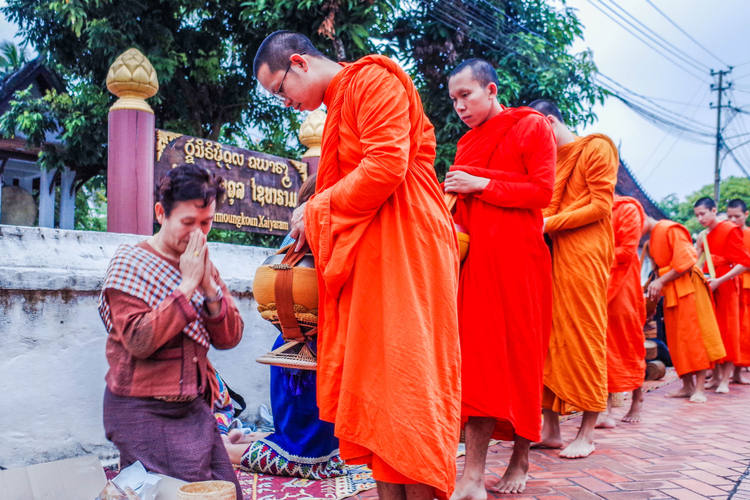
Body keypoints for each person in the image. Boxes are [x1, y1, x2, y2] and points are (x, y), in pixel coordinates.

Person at [253, 31, 461, 500]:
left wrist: (316, 208)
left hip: (406, 248)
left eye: (280, 90)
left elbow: (387, 165)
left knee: (408, 385)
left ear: (300, 63)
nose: (284, 103)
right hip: (374, 256)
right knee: (378, 394)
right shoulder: (336, 111)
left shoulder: (371, 79)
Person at [443, 59, 554, 498]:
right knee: (479, 365)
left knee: (522, 360)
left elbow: (541, 191)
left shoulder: (531, 126)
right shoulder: (468, 144)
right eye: (453, 99)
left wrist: (481, 183)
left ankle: (522, 457)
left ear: (490, 89)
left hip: (521, 265)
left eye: (466, 95)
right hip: (477, 265)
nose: (459, 107)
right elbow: (457, 202)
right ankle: (472, 475)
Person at [98, 164, 243, 497]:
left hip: (192, 409)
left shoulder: (202, 263)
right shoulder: (130, 262)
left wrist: (209, 290)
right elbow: (139, 340)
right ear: (161, 213)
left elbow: (230, 338)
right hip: (142, 411)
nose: (198, 235)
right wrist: (188, 284)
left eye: (206, 223)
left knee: (225, 492)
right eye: (188, 223)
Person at [222, 174, 345, 480]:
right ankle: (218, 448)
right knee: (308, 460)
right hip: (306, 357)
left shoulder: (301, 228)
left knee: (326, 453)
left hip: (294, 349)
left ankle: (243, 440)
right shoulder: (313, 228)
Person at [527, 99, 617, 459]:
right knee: (547, 341)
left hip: (584, 254)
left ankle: (587, 432)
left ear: (550, 121)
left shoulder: (597, 147)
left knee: (585, 335)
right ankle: (550, 429)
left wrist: (548, 224)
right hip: (550, 255)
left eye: (537, 133)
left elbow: (600, 206)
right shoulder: (551, 162)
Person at [644, 216, 725, 403]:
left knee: (695, 337)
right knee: (677, 339)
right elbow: (657, 271)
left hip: (689, 288)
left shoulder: (670, 229)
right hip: (671, 291)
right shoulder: (651, 240)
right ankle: (687, 385)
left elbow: (688, 260)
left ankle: (699, 388)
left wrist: (661, 281)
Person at [597, 195, 647, 428]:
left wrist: (591, 253)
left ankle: (637, 400)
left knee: (629, 343)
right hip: (599, 281)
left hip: (624, 285)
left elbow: (627, 251)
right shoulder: (594, 207)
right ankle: (605, 408)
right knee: (602, 345)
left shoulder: (627, 208)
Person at [694, 197, 750, 393]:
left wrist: (720, 280)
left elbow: (744, 262)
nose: (700, 218)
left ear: (714, 210)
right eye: (697, 215)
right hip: (709, 284)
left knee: (729, 331)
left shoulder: (729, 230)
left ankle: (726, 379)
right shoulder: (703, 235)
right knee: (711, 330)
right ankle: (716, 376)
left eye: (703, 213)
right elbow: (698, 261)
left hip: (726, 285)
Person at [726, 198, 750, 384]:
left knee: (745, 330)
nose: (733, 220)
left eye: (737, 216)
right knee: (729, 329)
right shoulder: (724, 234)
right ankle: (723, 373)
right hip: (729, 286)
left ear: (746, 215)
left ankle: (738, 372)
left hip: (747, 287)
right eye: (730, 216)